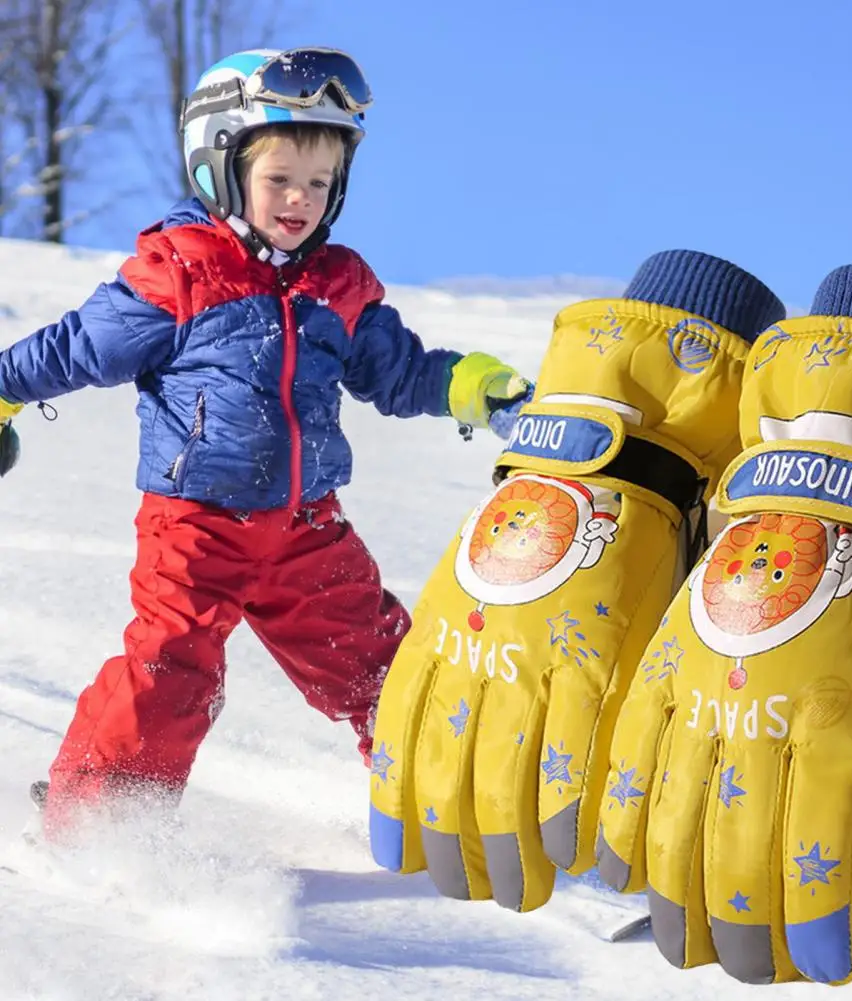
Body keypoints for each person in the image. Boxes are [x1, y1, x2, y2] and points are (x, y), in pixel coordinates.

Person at [0, 47, 530, 836]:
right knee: (171, 666)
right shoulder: (178, 270)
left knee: (381, 659)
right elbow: (78, 346)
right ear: (221, 166)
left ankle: (436, 798)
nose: (300, 200)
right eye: (280, 178)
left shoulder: (337, 285)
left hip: (305, 527)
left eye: (319, 183)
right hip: (194, 524)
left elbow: (397, 370)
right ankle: (101, 824)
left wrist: (470, 385)